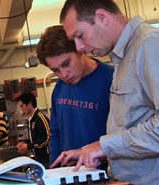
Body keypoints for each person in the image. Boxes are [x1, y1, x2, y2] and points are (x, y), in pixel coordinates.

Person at [53, 0, 159, 185]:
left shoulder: (150, 45)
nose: (79, 47)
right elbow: (136, 122)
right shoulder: (124, 58)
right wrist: (94, 149)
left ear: (101, 17)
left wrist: (106, 145)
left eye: (80, 35)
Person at [36, 25, 113, 166]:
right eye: (55, 70)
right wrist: (54, 171)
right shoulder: (59, 88)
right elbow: (55, 133)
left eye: (66, 63)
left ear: (79, 50)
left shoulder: (112, 81)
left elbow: (126, 137)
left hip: (107, 176)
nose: (64, 74)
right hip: (71, 177)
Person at [16, 92, 50, 168]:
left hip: (47, 159)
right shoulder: (31, 119)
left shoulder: (39, 117)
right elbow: (36, 138)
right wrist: (25, 144)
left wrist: (28, 146)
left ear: (30, 104)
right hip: (39, 158)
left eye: (22, 106)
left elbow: (47, 138)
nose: (21, 109)